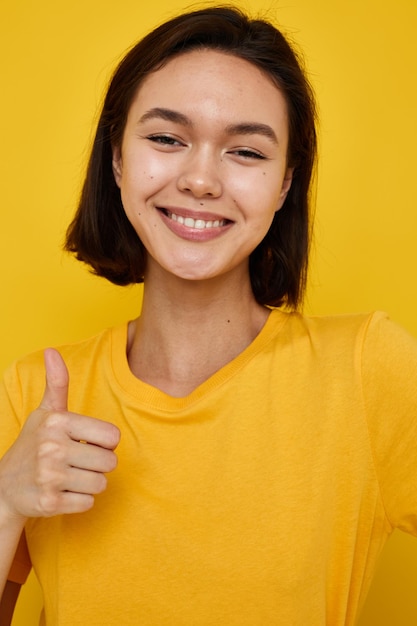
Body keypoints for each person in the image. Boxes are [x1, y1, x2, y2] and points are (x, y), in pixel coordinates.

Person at [0, 5, 416, 625]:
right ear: (117, 159)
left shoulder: (367, 371)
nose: (200, 179)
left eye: (245, 152)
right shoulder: (34, 394)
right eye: (166, 138)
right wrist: (6, 500)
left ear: (284, 185)